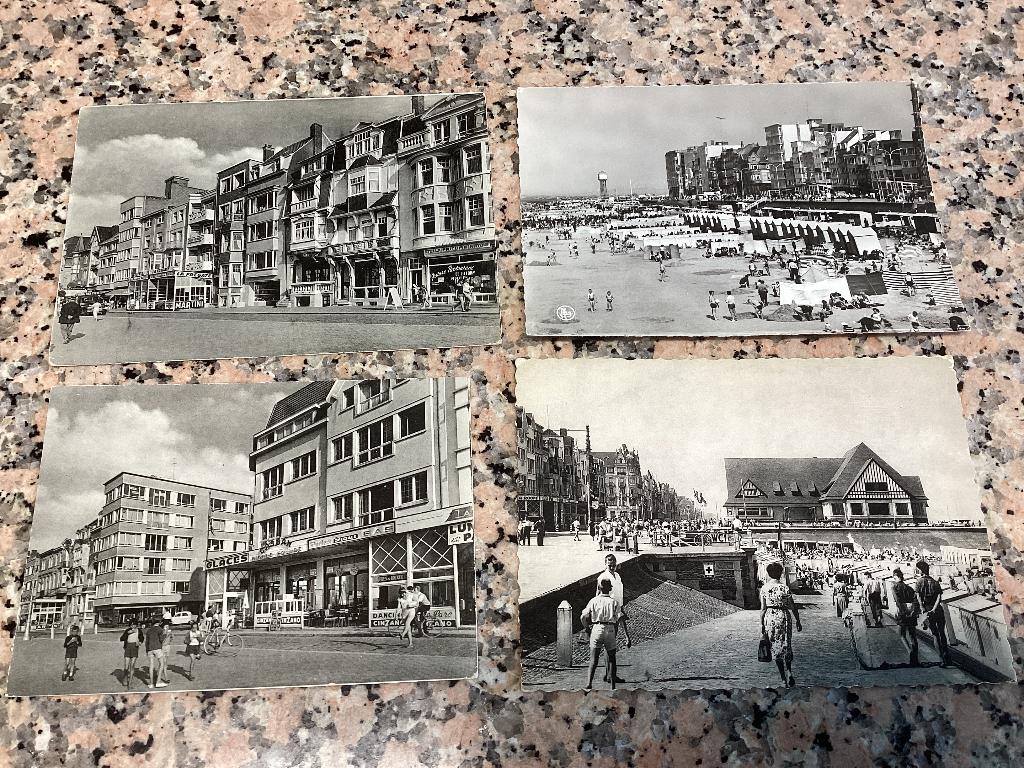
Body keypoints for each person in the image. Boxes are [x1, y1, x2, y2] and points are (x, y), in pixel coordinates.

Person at [760, 561, 802, 688]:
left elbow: (763, 609)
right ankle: (789, 672)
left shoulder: (764, 588)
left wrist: (762, 624)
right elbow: (792, 606)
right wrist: (798, 620)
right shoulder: (784, 588)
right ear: (780, 573)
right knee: (786, 644)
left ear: (768, 574)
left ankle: (783, 678)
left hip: (771, 617)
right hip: (784, 616)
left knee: (775, 647)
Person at [581, 578, 623, 691]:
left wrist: (587, 628)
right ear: (610, 589)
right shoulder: (614, 602)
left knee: (593, 659)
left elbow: (583, 616)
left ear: (599, 588)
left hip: (597, 628)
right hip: (610, 629)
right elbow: (619, 617)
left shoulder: (593, 601)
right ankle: (613, 686)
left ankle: (589, 683)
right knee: (612, 659)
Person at [596, 553, 632, 681]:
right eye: (609, 565)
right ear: (605, 564)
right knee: (609, 645)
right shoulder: (603, 577)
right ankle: (610, 675)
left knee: (611, 645)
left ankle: (609, 674)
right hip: (608, 613)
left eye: (614, 565)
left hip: (617, 611)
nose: (612, 567)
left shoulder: (617, 576)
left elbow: (619, 596)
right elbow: (598, 596)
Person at [915, 560, 951, 666]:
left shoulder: (919, 582)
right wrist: (935, 608)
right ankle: (947, 656)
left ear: (920, 570)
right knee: (942, 633)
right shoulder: (935, 582)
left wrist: (922, 608)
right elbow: (939, 597)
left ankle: (942, 659)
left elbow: (918, 596)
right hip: (938, 609)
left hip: (927, 609)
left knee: (935, 634)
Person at [891, 568, 921, 666]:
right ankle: (915, 659)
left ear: (895, 577)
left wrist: (903, 612)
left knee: (901, 634)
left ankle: (910, 651)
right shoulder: (909, 588)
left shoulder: (894, 587)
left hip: (902, 613)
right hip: (911, 613)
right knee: (913, 635)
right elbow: (915, 600)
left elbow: (897, 601)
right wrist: (912, 612)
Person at [144, 619, 168, 689]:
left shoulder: (149, 630)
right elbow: (161, 639)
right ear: (159, 622)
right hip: (157, 648)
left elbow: (147, 642)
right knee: (162, 664)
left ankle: (151, 683)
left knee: (151, 666)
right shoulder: (160, 629)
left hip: (149, 649)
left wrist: (147, 650)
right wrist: (165, 633)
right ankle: (158, 682)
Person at [120, 620, 141, 689]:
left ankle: (130, 683)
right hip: (128, 647)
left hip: (135, 647)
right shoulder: (127, 630)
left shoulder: (139, 631)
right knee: (126, 666)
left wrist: (140, 642)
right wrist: (127, 633)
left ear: (136, 625)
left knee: (132, 666)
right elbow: (121, 638)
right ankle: (125, 679)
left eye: (134, 624)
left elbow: (142, 638)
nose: (132, 626)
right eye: (131, 625)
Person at [159, 619, 173, 684]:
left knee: (165, 663)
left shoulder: (170, 632)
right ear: (163, 627)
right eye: (165, 626)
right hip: (162, 647)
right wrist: (165, 634)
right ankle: (166, 677)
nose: (167, 628)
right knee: (163, 663)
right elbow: (161, 640)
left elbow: (171, 639)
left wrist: (171, 636)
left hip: (168, 647)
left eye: (168, 626)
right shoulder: (161, 632)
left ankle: (159, 674)